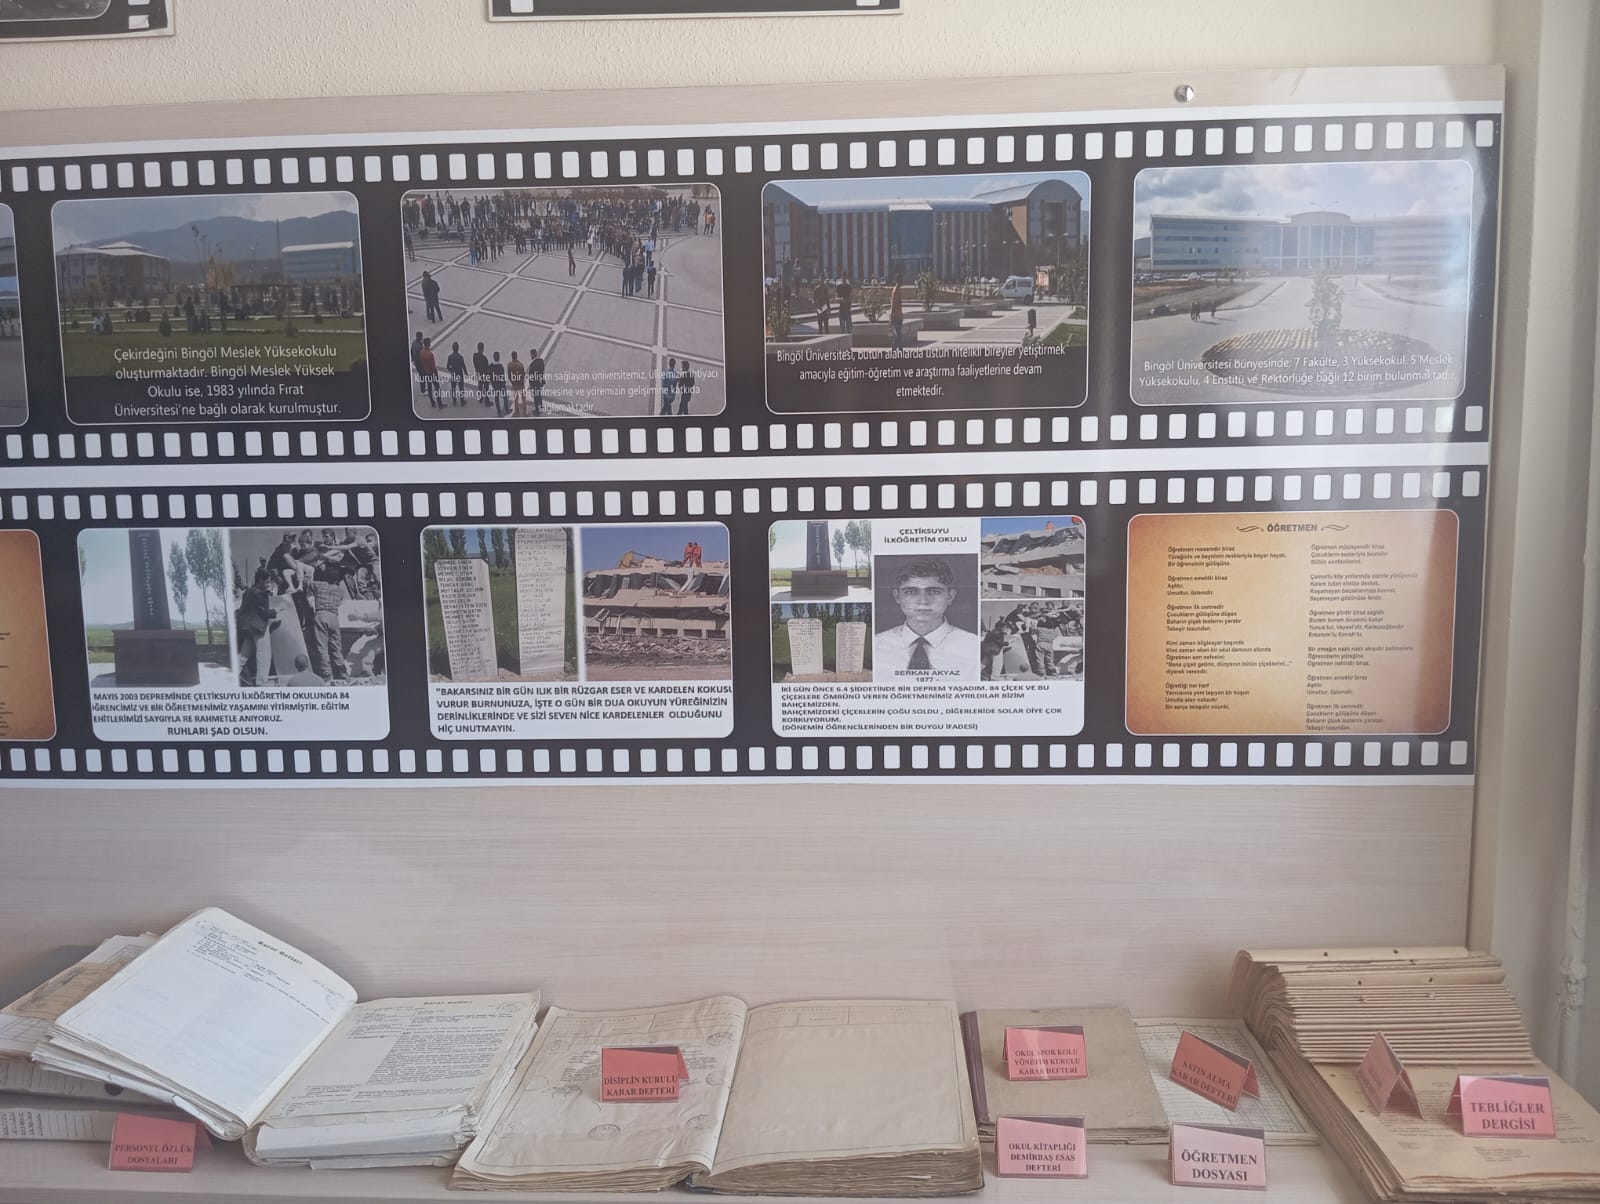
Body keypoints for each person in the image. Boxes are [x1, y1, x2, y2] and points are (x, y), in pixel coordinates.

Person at [873, 558, 979, 678]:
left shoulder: (974, 647)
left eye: (934, 591)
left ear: (950, 596)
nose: (923, 601)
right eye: (911, 592)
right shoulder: (877, 645)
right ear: (897, 597)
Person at [308, 565, 349, 683]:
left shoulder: (319, 585)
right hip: (334, 617)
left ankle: (327, 676)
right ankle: (342, 673)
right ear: (337, 579)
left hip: (321, 615)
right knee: (336, 647)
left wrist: (309, 571)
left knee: (322, 647)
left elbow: (307, 582)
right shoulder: (340, 590)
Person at [235, 570, 275, 687]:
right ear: (260, 580)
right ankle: (261, 683)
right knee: (264, 655)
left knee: (244, 655)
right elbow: (264, 612)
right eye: (267, 581)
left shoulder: (248, 592)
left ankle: (233, 674)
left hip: (248, 628)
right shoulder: (259, 594)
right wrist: (276, 611)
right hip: (258, 627)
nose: (268, 584)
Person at [417, 337, 440, 408]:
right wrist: (436, 374)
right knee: (437, 387)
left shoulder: (421, 352)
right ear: (428, 344)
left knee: (429, 387)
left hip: (426, 372)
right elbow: (433, 366)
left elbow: (421, 362)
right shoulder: (430, 354)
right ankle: (440, 403)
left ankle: (432, 402)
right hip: (431, 372)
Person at [446, 340, 468, 406]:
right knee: (461, 388)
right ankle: (462, 401)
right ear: (458, 348)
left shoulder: (450, 357)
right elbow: (463, 366)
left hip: (453, 374)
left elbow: (447, 366)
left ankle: (454, 400)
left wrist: (451, 370)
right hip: (459, 373)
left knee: (453, 387)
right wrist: (466, 373)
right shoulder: (460, 357)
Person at [507, 349, 528, 417]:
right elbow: (523, 374)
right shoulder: (520, 364)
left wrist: (512, 382)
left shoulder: (510, 365)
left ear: (512, 357)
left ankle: (517, 411)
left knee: (516, 399)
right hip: (520, 384)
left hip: (514, 384)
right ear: (516, 356)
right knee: (523, 398)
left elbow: (509, 376)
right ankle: (524, 412)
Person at [489, 351, 509, 417]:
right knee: (505, 397)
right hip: (501, 384)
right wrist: (503, 383)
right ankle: (506, 409)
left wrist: (493, 384)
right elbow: (502, 376)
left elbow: (490, 376)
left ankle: (499, 411)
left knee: (496, 398)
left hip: (495, 385)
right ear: (499, 357)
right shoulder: (500, 366)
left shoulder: (491, 366)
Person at [472, 341, 492, 406]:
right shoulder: (484, 358)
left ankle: (480, 398)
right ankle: (487, 401)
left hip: (479, 373)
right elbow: (487, 368)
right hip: (484, 375)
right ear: (483, 349)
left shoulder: (474, 356)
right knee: (486, 388)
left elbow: (475, 364)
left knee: (480, 386)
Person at [889, 276, 905, 350]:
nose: (902, 282)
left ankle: (894, 349)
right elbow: (893, 305)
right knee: (898, 334)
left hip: (899, 315)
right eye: (901, 281)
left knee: (897, 334)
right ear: (899, 281)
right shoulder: (895, 291)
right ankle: (899, 349)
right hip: (896, 316)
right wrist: (891, 316)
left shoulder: (898, 290)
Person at [529, 346, 546, 416]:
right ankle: (541, 406)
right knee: (539, 395)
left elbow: (531, 377)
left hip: (535, 384)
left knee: (536, 398)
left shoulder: (532, 365)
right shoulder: (541, 361)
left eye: (531, 355)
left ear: (532, 355)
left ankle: (537, 411)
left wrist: (531, 386)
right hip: (540, 382)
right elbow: (542, 370)